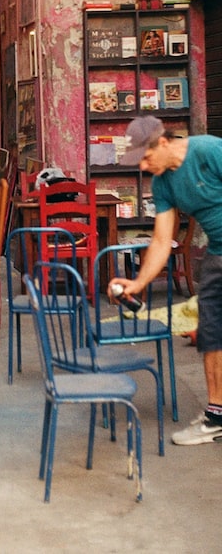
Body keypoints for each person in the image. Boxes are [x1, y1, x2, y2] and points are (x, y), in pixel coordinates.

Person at [113, 116, 222, 446]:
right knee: (212, 334)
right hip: (217, 257)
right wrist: (138, 283)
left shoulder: (209, 151)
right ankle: (217, 417)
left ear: (163, 143)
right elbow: (162, 241)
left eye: (145, 158)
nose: (144, 167)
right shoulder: (163, 185)